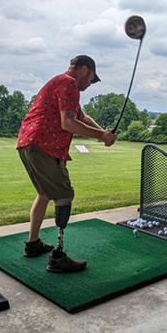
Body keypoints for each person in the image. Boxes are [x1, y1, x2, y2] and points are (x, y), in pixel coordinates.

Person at [16, 55, 116, 273]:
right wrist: (101, 137)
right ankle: (58, 256)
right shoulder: (69, 83)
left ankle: (33, 245)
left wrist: (104, 134)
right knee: (64, 195)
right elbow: (68, 122)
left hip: (29, 143)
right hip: (43, 146)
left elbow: (81, 117)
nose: (90, 84)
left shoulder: (62, 84)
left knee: (44, 193)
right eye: (91, 79)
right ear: (84, 70)